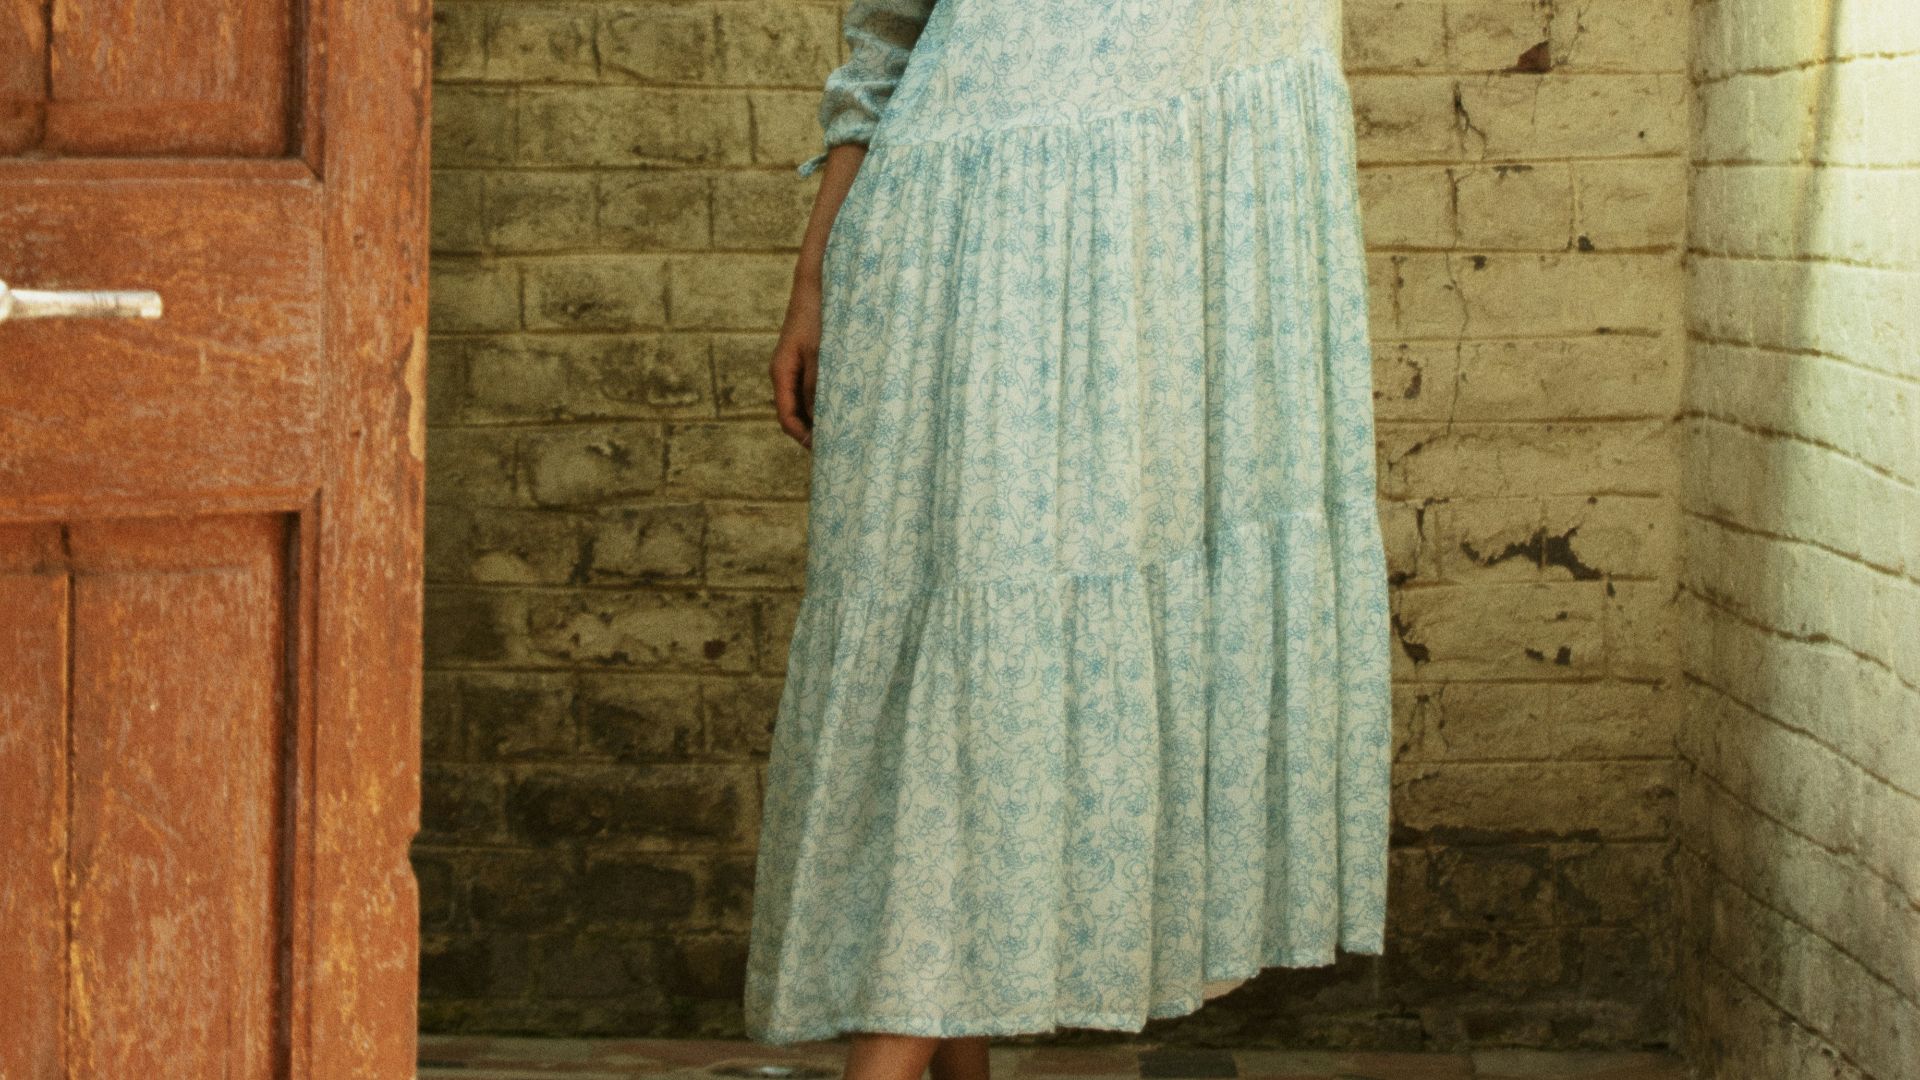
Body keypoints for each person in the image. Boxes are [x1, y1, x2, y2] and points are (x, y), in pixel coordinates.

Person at [745, 1, 1393, 1076]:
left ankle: (949, 1058)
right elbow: (891, 33)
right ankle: (898, 1056)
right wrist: (815, 269)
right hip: (961, 217)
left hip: (1156, 233)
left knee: (997, 623)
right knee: (969, 634)